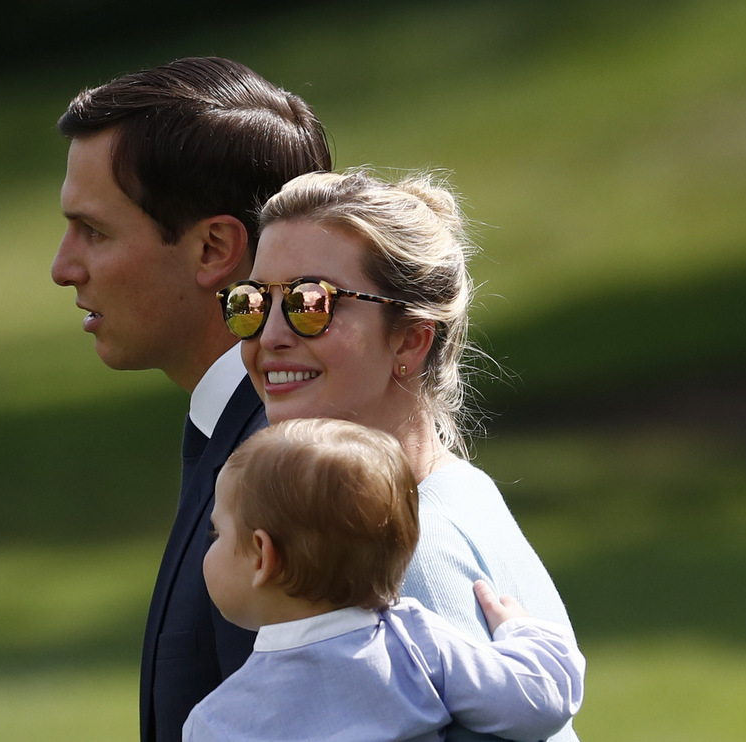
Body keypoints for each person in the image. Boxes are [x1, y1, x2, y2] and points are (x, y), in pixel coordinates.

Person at [219, 168, 584, 741]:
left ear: (410, 339)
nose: (268, 336)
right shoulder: (457, 489)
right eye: (252, 302)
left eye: (310, 303)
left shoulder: (395, 556)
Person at [51, 57, 332, 742]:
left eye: (95, 231)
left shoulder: (284, 473)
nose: (64, 267)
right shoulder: (244, 433)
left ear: (213, 249)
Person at [184, 418, 584, 742]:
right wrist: (523, 633)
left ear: (262, 556)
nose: (210, 545)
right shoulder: (414, 643)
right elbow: (541, 698)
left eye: (217, 534)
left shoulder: (218, 723)